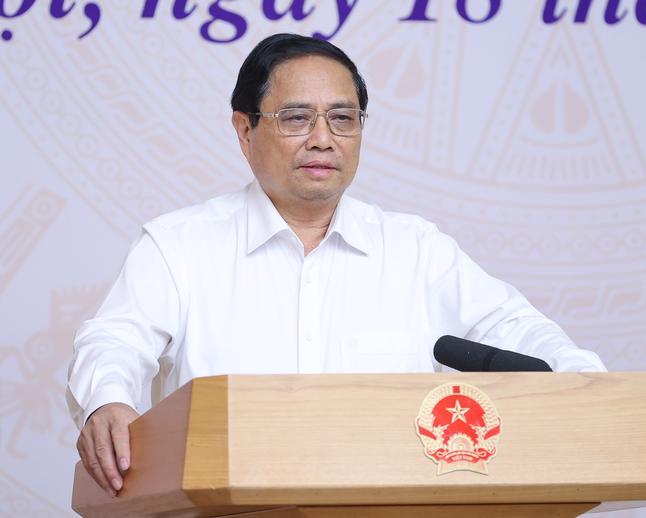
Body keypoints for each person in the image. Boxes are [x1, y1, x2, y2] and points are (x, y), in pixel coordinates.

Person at [67, 33, 606, 497]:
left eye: (342, 118)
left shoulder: (416, 250)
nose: (323, 138)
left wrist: (590, 389)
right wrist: (107, 402)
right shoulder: (180, 246)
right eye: (297, 117)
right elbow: (115, 340)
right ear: (244, 129)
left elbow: (517, 331)